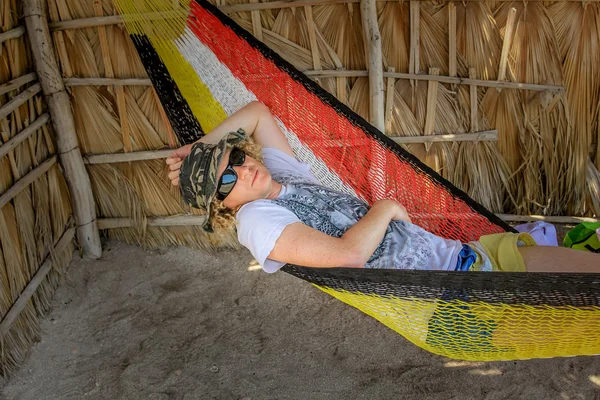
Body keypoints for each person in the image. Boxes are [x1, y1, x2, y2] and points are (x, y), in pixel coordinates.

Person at [166, 101, 600, 274]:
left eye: (237, 159)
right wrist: (388, 206)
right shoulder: (256, 221)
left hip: (471, 258)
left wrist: (196, 151)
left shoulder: (283, 179)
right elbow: (348, 255)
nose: (242, 171)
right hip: (458, 292)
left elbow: (258, 113)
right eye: (225, 180)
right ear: (221, 209)